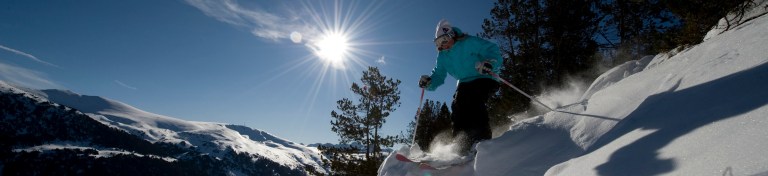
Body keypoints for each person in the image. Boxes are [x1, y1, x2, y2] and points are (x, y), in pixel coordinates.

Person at [418, 19, 502, 155]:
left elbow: (492, 50)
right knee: (457, 106)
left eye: (444, 40)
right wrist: (429, 82)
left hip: (485, 76)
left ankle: (482, 141)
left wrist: (489, 63)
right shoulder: (443, 56)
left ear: (451, 35)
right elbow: (438, 75)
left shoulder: (469, 42)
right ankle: (461, 145)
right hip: (464, 82)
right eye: (438, 42)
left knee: (472, 100)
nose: (442, 45)